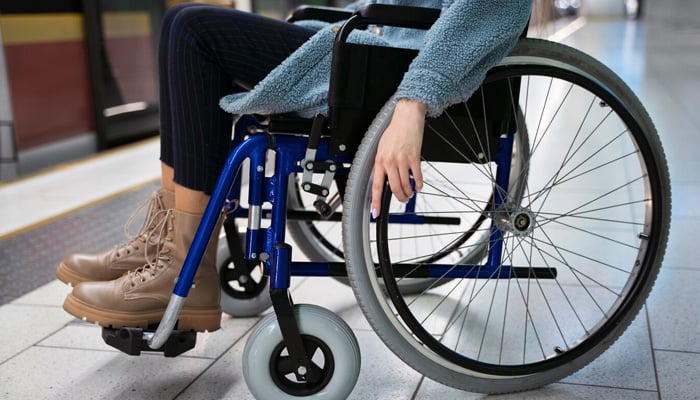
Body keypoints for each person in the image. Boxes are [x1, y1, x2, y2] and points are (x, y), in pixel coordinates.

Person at [58, 0, 533, 332]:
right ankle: (168, 244)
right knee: (180, 20)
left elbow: (491, 10)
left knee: (191, 31)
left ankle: (182, 265)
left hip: (394, 68)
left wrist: (412, 103)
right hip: (376, 48)